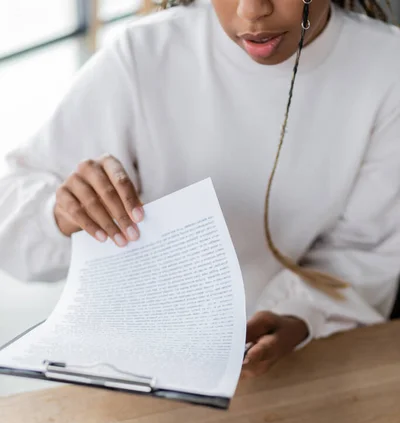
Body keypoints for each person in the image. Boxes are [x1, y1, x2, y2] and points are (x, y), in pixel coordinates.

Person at [0, 0, 399, 378]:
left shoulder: (385, 69)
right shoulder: (144, 54)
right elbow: (12, 213)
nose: (252, 11)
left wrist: (302, 315)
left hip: (289, 370)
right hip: (125, 369)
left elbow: (366, 252)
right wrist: (60, 212)